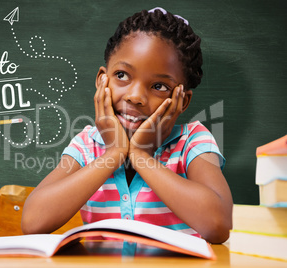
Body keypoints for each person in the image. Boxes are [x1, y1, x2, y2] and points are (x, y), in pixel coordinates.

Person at [22, 7, 233, 244]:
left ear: (181, 100)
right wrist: (114, 152)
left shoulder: (192, 141)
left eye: (159, 86)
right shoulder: (86, 145)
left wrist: (142, 155)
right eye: (122, 75)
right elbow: (32, 221)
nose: (135, 96)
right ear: (103, 80)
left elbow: (217, 225)